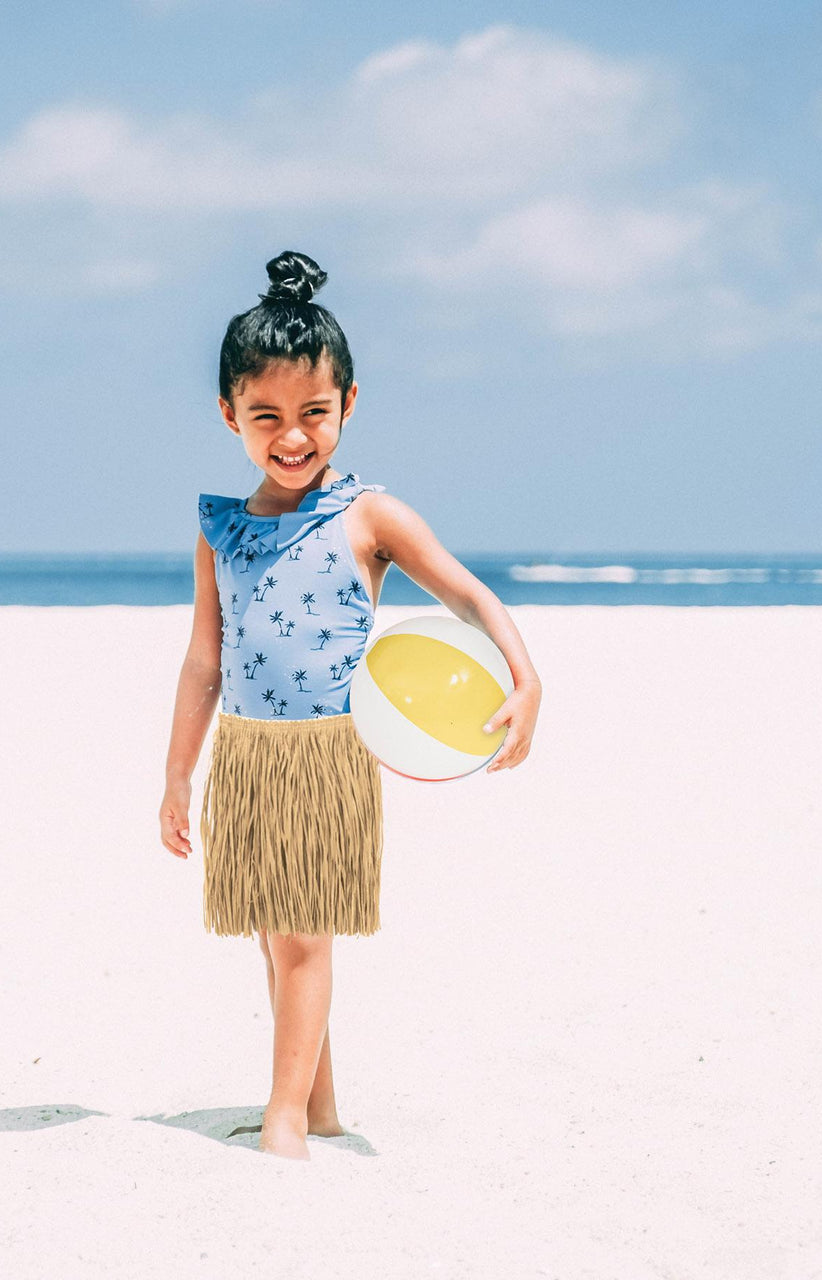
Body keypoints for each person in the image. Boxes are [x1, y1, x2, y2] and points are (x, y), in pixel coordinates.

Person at [159, 250, 542, 1161]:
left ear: (349, 406)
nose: (292, 437)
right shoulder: (222, 526)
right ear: (229, 416)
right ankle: (320, 1106)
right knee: (270, 939)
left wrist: (527, 679)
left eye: (313, 415)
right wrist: (178, 775)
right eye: (267, 418)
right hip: (246, 756)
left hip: (328, 755)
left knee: (302, 940)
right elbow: (203, 661)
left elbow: (469, 596)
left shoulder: (370, 516)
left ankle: (284, 1120)